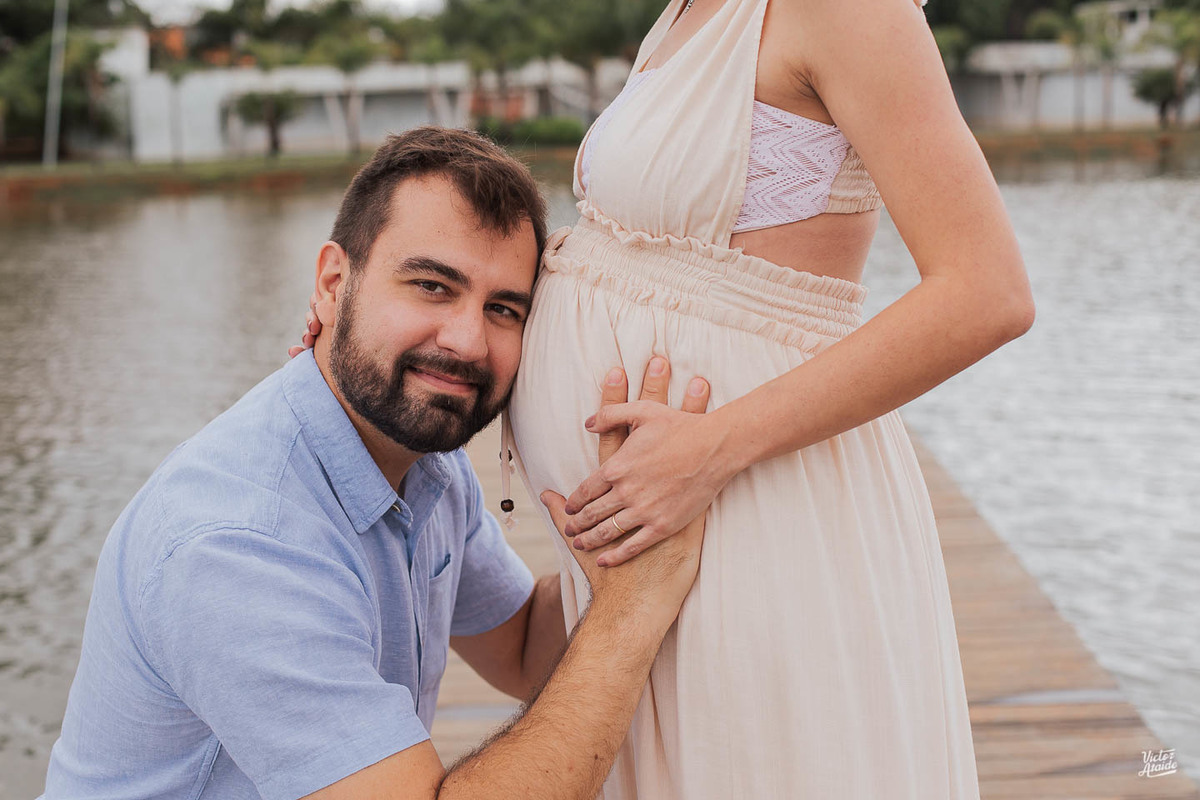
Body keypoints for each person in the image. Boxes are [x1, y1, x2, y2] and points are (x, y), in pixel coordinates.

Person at [299, 0, 1038, 796]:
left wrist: (710, 449)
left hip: (740, 495)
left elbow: (987, 292)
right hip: (659, 514)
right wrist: (363, 310)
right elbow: (634, 264)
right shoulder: (683, 14)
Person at [39, 127, 712, 800]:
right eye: (431, 286)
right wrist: (630, 612)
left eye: (503, 309)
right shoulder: (238, 543)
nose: (468, 341)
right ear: (334, 284)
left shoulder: (423, 467)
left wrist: (627, 535)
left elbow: (519, 650)